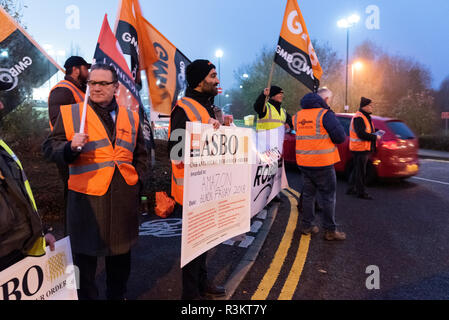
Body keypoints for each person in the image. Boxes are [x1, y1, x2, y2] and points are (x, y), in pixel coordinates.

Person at [42, 64, 147, 300]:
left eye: (103, 83)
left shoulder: (131, 116)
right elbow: (49, 148)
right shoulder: (71, 114)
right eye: (92, 83)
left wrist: (138, 181)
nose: (96, 88)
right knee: (84, 264)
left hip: (122, 200)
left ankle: (117, 296)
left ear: (116, 87)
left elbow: (140, 154)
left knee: (120, 260)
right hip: (86, 201)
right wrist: (70, 147)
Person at [168, 59, 226, 300]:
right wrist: (204, 134)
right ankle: (190, 296)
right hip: (190, 190)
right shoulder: (184, 108)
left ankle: (201, 282)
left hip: (206, 188)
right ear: (200, 81)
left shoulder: (205, 106)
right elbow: (175, 151)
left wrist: (223, 129)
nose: (217, 80)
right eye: (213, 75)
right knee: (193, 246)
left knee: (204, 241)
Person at [0, 83, 55, 272]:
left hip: (18, 252)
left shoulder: (1, 145)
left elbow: (19, 197)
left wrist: (40, 231)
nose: (1, 106)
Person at [292, 88, 346, 241]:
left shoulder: (297, 116)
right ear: (323, 101)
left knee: (308, 195)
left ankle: (307, 226)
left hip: (304, 162)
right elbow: (340, 137)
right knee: (328, 197)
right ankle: (330, 230)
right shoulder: (325, 115)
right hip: (323, 162)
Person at [47, 56, 91, 233]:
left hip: (80, 151)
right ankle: (71, 240)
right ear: (76, 69)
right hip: (68, 151)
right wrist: (71, 146)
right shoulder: (63, 90)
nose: (88, 72)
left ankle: (80, 236)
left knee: (81, 197)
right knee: (72, 197)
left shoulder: (79, 90)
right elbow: (59, 124)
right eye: (85, 68)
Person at [346, 97, 381, 200]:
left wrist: (376, 131)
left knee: (357, 169)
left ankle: (351, 188)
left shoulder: (365, 116)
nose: (372, 107)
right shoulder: (359, 117)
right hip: (359, 149)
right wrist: (375, 137)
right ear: (364, 106)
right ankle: (361, 192)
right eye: (370, 105)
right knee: (361, 172)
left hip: (362, 148)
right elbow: (361, 134)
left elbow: (367, 130)